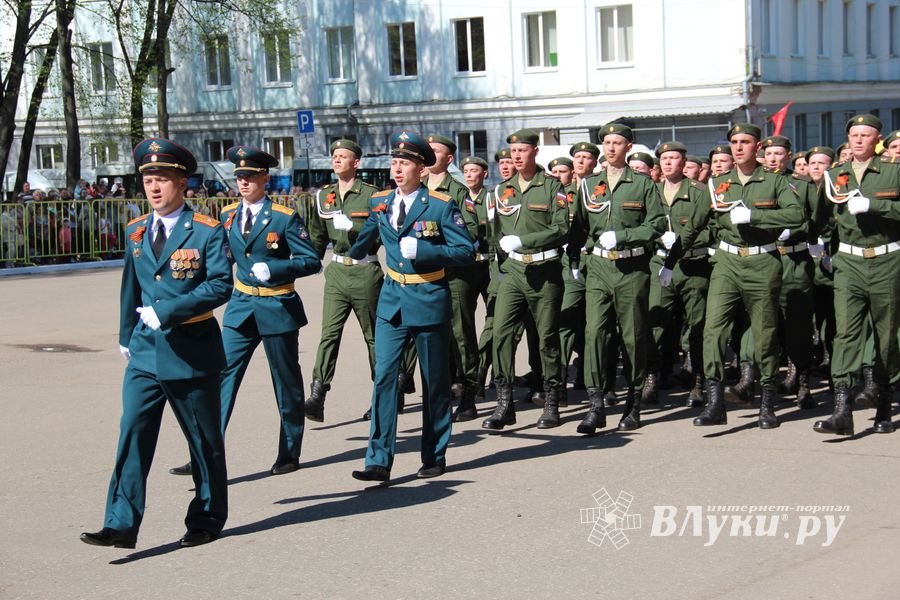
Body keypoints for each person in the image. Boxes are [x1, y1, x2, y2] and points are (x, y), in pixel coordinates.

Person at [81, 138, 232, 549]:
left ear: (182, 182)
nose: (153, 186)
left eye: (162, 178)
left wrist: (170, 311)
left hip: (191, 351)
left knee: (202, 440)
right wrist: (125, 336)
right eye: (148, 178)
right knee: (132, 433)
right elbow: (130, 286)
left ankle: (206, 516)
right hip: (146, 352)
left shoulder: (206, 230)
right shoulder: (136, 230)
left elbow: (221, 285)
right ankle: (120, 522)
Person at [168, 146, 320, 477]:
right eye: (239, 177)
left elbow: (311, 261)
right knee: (219, 378)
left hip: (276, 304)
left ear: (265, 179)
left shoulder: (284, 216)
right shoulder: (228, 215)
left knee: (285, 381)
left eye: (250, 177)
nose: (244, 183)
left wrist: (277, 269)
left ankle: (289, 451)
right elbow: (221, 259)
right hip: (241, 307)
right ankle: (203, 455)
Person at [345, 131, 473, 482]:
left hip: (428, 296)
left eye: (405, 163)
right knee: (385, 377)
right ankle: (378, 459)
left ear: (421, 167)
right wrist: (352, 251)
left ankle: (434, 454)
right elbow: (367, 236)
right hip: (391, 300)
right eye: (394, 162)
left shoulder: (440, 205)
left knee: (434, 381)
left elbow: (465, 251)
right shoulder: (382, 202)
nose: (397, 169)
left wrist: (428, 251)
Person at [694, 123, 803, 429]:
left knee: (765, 333)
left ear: (757, 148)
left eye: (745, 142)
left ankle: (766, 402)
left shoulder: (774, 182)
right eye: (734, 142)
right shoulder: (719, 183)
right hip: (727, 261)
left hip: (762, 261)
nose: (739, 147)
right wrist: (670, 256)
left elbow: (796, 214)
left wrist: (756, 215)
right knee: (713, 330)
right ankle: (715, 403)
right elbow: (698, 223)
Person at [568, 123, 666, 434]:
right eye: (607, 142)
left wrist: (623, 236)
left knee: (632, 336)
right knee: (595, 332)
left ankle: (634, 402)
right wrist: (573, 259)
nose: (611, 148)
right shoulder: (588, 185)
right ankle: (596, 405)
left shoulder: (642, 184)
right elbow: (579, 227)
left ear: (629, 147)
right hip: (598, 267)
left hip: (631, 268)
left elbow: (657, 225)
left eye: (618, 143)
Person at [814, 114, 900, 436]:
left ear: (877, 140)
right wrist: (819, 246)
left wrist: (877, 207)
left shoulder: (894, 172)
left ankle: (884, 403)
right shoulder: (835, 176)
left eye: (866, 135)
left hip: (887, 260)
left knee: (886, 336)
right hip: (848, 263)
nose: (859, 140)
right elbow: (821, 218)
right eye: (854, 135)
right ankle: (842, 410)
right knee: (846, 334)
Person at [482, 128, 569, 430]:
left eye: (522, 150)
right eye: (513, 151)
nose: (516, 156)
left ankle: (551, 399)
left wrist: (524, 240)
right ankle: (504, 403)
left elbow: (561, 229)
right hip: (514, 272)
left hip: (544, 271)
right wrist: (501, 267)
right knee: (501, 335)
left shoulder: (552, 187)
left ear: (534, 152)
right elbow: (494, 233)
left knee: (546, 338)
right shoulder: (502, 190)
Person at [305, 139, 382, 422]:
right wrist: (311, 261)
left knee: (373, 337)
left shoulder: (372, 195)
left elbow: (382, 233)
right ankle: (317, 393)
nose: (337, 160)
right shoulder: (324, 196)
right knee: (329, 334)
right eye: (334, 156)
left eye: (343, 156)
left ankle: (382, 395)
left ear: (356, 163)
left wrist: (357, 229)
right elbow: (316, 234)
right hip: (337, 272)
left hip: (365, 271)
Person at [644, 141, 712, 409]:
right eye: (664, 158)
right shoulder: (651, 191)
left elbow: (713, 228)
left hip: (692, 265)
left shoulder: (699, 191)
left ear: (684, 163)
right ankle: (651, 378)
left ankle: (697, 382)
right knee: (655, 322)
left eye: (674, 158)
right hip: (660, 264)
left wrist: (686, 240)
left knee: (696, 325)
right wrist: (659, 236)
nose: (669, 163)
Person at [450, 155, 493, 421]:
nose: (469, 174)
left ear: (484, 174)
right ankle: (466, 375)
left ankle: (482, 368)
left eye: (474, 170)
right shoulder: (458, 198)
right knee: (461, 325)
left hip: (488, 265)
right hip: (465, 266)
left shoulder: (491, 198)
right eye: (465, 170)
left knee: (494, 321)